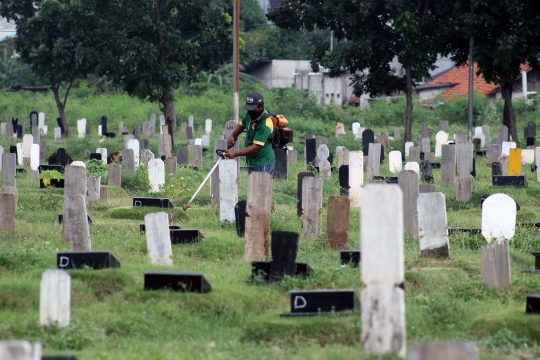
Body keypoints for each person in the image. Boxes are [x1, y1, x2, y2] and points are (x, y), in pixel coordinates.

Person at [224, 91, 275, 176]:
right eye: (249, 107)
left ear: (261, 107)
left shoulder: (265, 124)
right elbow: (242, 124)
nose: (250, 110)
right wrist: (233, 135)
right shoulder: (250, 114)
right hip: (253, 161)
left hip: (263, 162)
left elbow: (256, 147)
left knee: (260, 189)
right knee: (253, 188)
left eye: (253, 108)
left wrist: (234, 153)